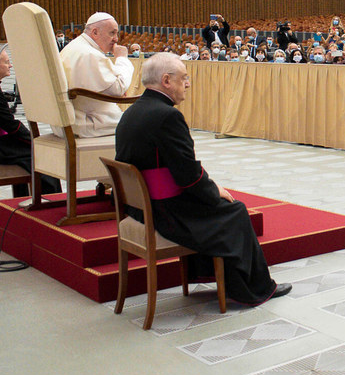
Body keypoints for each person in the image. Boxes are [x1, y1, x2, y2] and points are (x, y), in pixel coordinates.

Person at [114, 53, 290, 305]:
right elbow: (187, 176)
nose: (187, 83)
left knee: (218, 206)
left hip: (141, 208)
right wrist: (214, 191)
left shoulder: (131, 112)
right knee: (235, 210)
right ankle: (255, 288)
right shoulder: (167, 116)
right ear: (166, 80)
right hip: (165, 213)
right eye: (184, 78)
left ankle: (213, 275)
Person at [0, 47, 62, 197]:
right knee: (42, 154)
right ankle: (50, 200)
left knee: (32, 150)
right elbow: (11, 125)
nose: (10, 65)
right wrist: (34, 139)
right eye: (7, 62)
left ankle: (26, 197)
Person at [58, 12, 134, 137]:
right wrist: (122, 59)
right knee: (148, 125)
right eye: (112, 33)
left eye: (117, 34)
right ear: (95, 32)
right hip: (90, 122)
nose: (116, 39)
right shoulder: (89, 53)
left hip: (74, 120)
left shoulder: (75, 47)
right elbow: (117, 88)